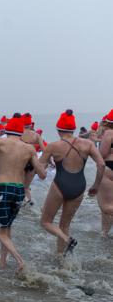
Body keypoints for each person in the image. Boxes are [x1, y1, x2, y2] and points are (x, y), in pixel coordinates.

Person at [0, 115, 46, 274]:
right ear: (21, 133)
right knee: (7, 228)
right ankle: (3, 262)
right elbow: (42, 174)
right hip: (19, 191)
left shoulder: (1, 141)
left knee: (0, 233)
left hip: (3, 188)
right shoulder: (29, 148)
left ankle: (19, 260)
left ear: (6, 131)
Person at [37, 110, 105, 257]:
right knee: (65, 225)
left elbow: (41, 171)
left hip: (60, 185)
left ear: (58, 129)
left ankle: (66, 240)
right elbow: (101, 165)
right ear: (73, 129)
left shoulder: (53, 146)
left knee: (45, 222)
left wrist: (40, 166)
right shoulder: (88, 144)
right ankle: (62, 257)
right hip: (79, 186)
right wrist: (96, 186)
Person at [20, 114, 46, 205]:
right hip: (32, 162)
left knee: (18, 185)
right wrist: (43, 163)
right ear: (31, 124)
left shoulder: (18, 133)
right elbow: (45, 151)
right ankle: (29, 204)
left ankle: (20, 204)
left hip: (20, 162)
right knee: (26, 188)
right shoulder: (36, 135)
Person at [98, 110, 113, 238]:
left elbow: (102, 154)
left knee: (105, 206)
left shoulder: (109, 133)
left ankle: (105, 233)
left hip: (109, 168)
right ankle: (105, 233)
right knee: (109, 206)